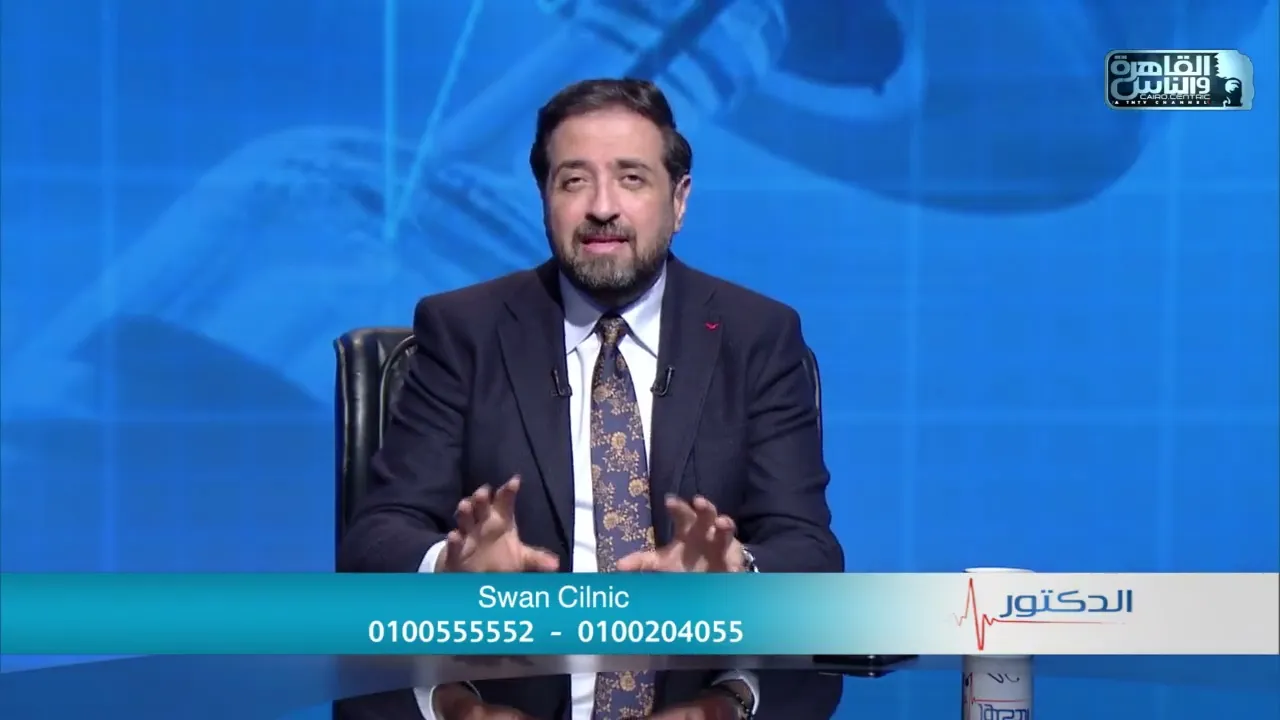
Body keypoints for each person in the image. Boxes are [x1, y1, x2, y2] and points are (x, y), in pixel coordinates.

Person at [337, 78, 844, 720]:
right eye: (574, 180)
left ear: (679, 200)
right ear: (544, 199)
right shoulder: (464, 331)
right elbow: (374, 541)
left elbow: (811, 555)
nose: (603, 207)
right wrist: (449, 570)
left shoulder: (757, 338)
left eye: (632, 178)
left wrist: (736, 576)